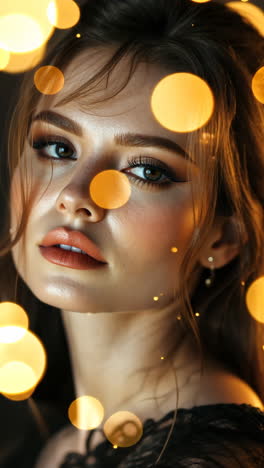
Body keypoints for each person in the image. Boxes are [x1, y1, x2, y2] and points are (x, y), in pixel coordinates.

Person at [0, 0, 263, 466]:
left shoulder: (213, 459)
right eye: (57, 146)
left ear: (222, 240)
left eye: (146, 170)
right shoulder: (61, 442)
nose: (77, 195)